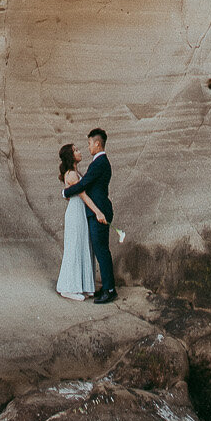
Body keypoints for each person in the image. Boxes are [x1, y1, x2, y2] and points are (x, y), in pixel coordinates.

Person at [62, 128, 116, 302]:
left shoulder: (99, 163)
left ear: (97, 143)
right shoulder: (99, 162)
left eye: (89, 143)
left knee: (101, 251)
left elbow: (83, 185)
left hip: (98, 211)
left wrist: (65, 193)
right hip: (95, 211)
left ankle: (109, 289)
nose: (88, 147)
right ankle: (107, 287)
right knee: (100, 251)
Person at [55, 143, 102, 300]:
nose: (79, 152)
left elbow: (69, 195)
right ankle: (69, 288)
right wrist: (97, 211)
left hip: (79, 212)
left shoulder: (76, 173)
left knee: (82, 245)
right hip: (75, 213)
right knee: (74, 246)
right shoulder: (72, 175)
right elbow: (82, 195)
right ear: (70, 156)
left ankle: (83, 285)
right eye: (75, 150)